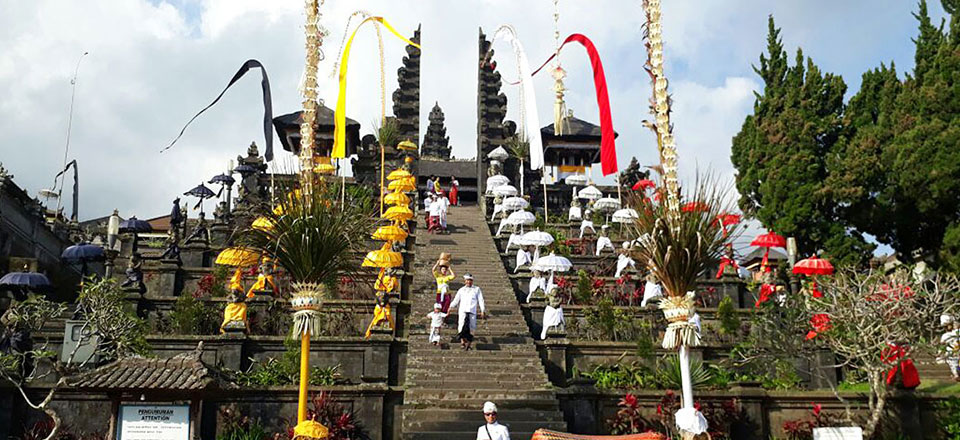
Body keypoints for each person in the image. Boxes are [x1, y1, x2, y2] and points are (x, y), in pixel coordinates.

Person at [450, 273, 486, 350]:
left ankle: (469, 343)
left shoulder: (477, 289)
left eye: (470, 280)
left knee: (472, 327)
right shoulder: (461, 290)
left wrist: (482, 310)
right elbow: (456, 300)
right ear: (465, 281)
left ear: (472, 281)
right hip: (463, 311)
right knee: (461, 326)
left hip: (472, 311)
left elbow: (480, 300)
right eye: (467, 280)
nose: (468, 282)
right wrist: (450, 307)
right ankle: (462, 342)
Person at [940, 314, 960, 381]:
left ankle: (956, 375)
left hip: (954, 353)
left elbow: (942, 345)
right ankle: (956, 374)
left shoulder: (947, 335)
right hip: (953, 353)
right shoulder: (946, 335)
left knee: (953, 363)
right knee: (953, 363)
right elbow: (942, 346)